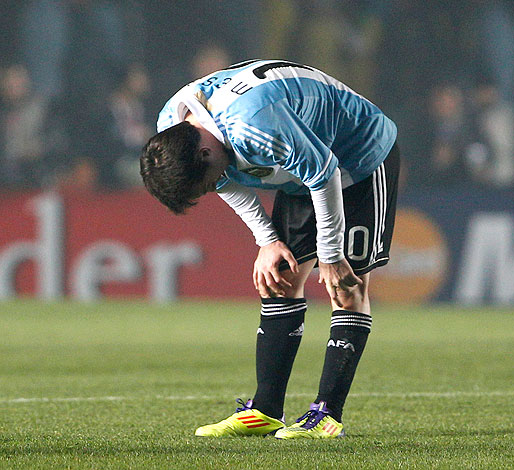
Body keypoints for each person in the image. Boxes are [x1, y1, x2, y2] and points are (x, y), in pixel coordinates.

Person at [140, 59, 398, 439]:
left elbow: (324, 171)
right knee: (281, 275)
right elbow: (227, 182)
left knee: (347, 283)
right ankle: (265, 409)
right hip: (303, 165)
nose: (214, 189)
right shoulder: (173, 128)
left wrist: (330, 253)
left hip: (357, 155)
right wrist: (267, 240)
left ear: (206, 154)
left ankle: (327, 414)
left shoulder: (254, 126)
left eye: (207, 185)